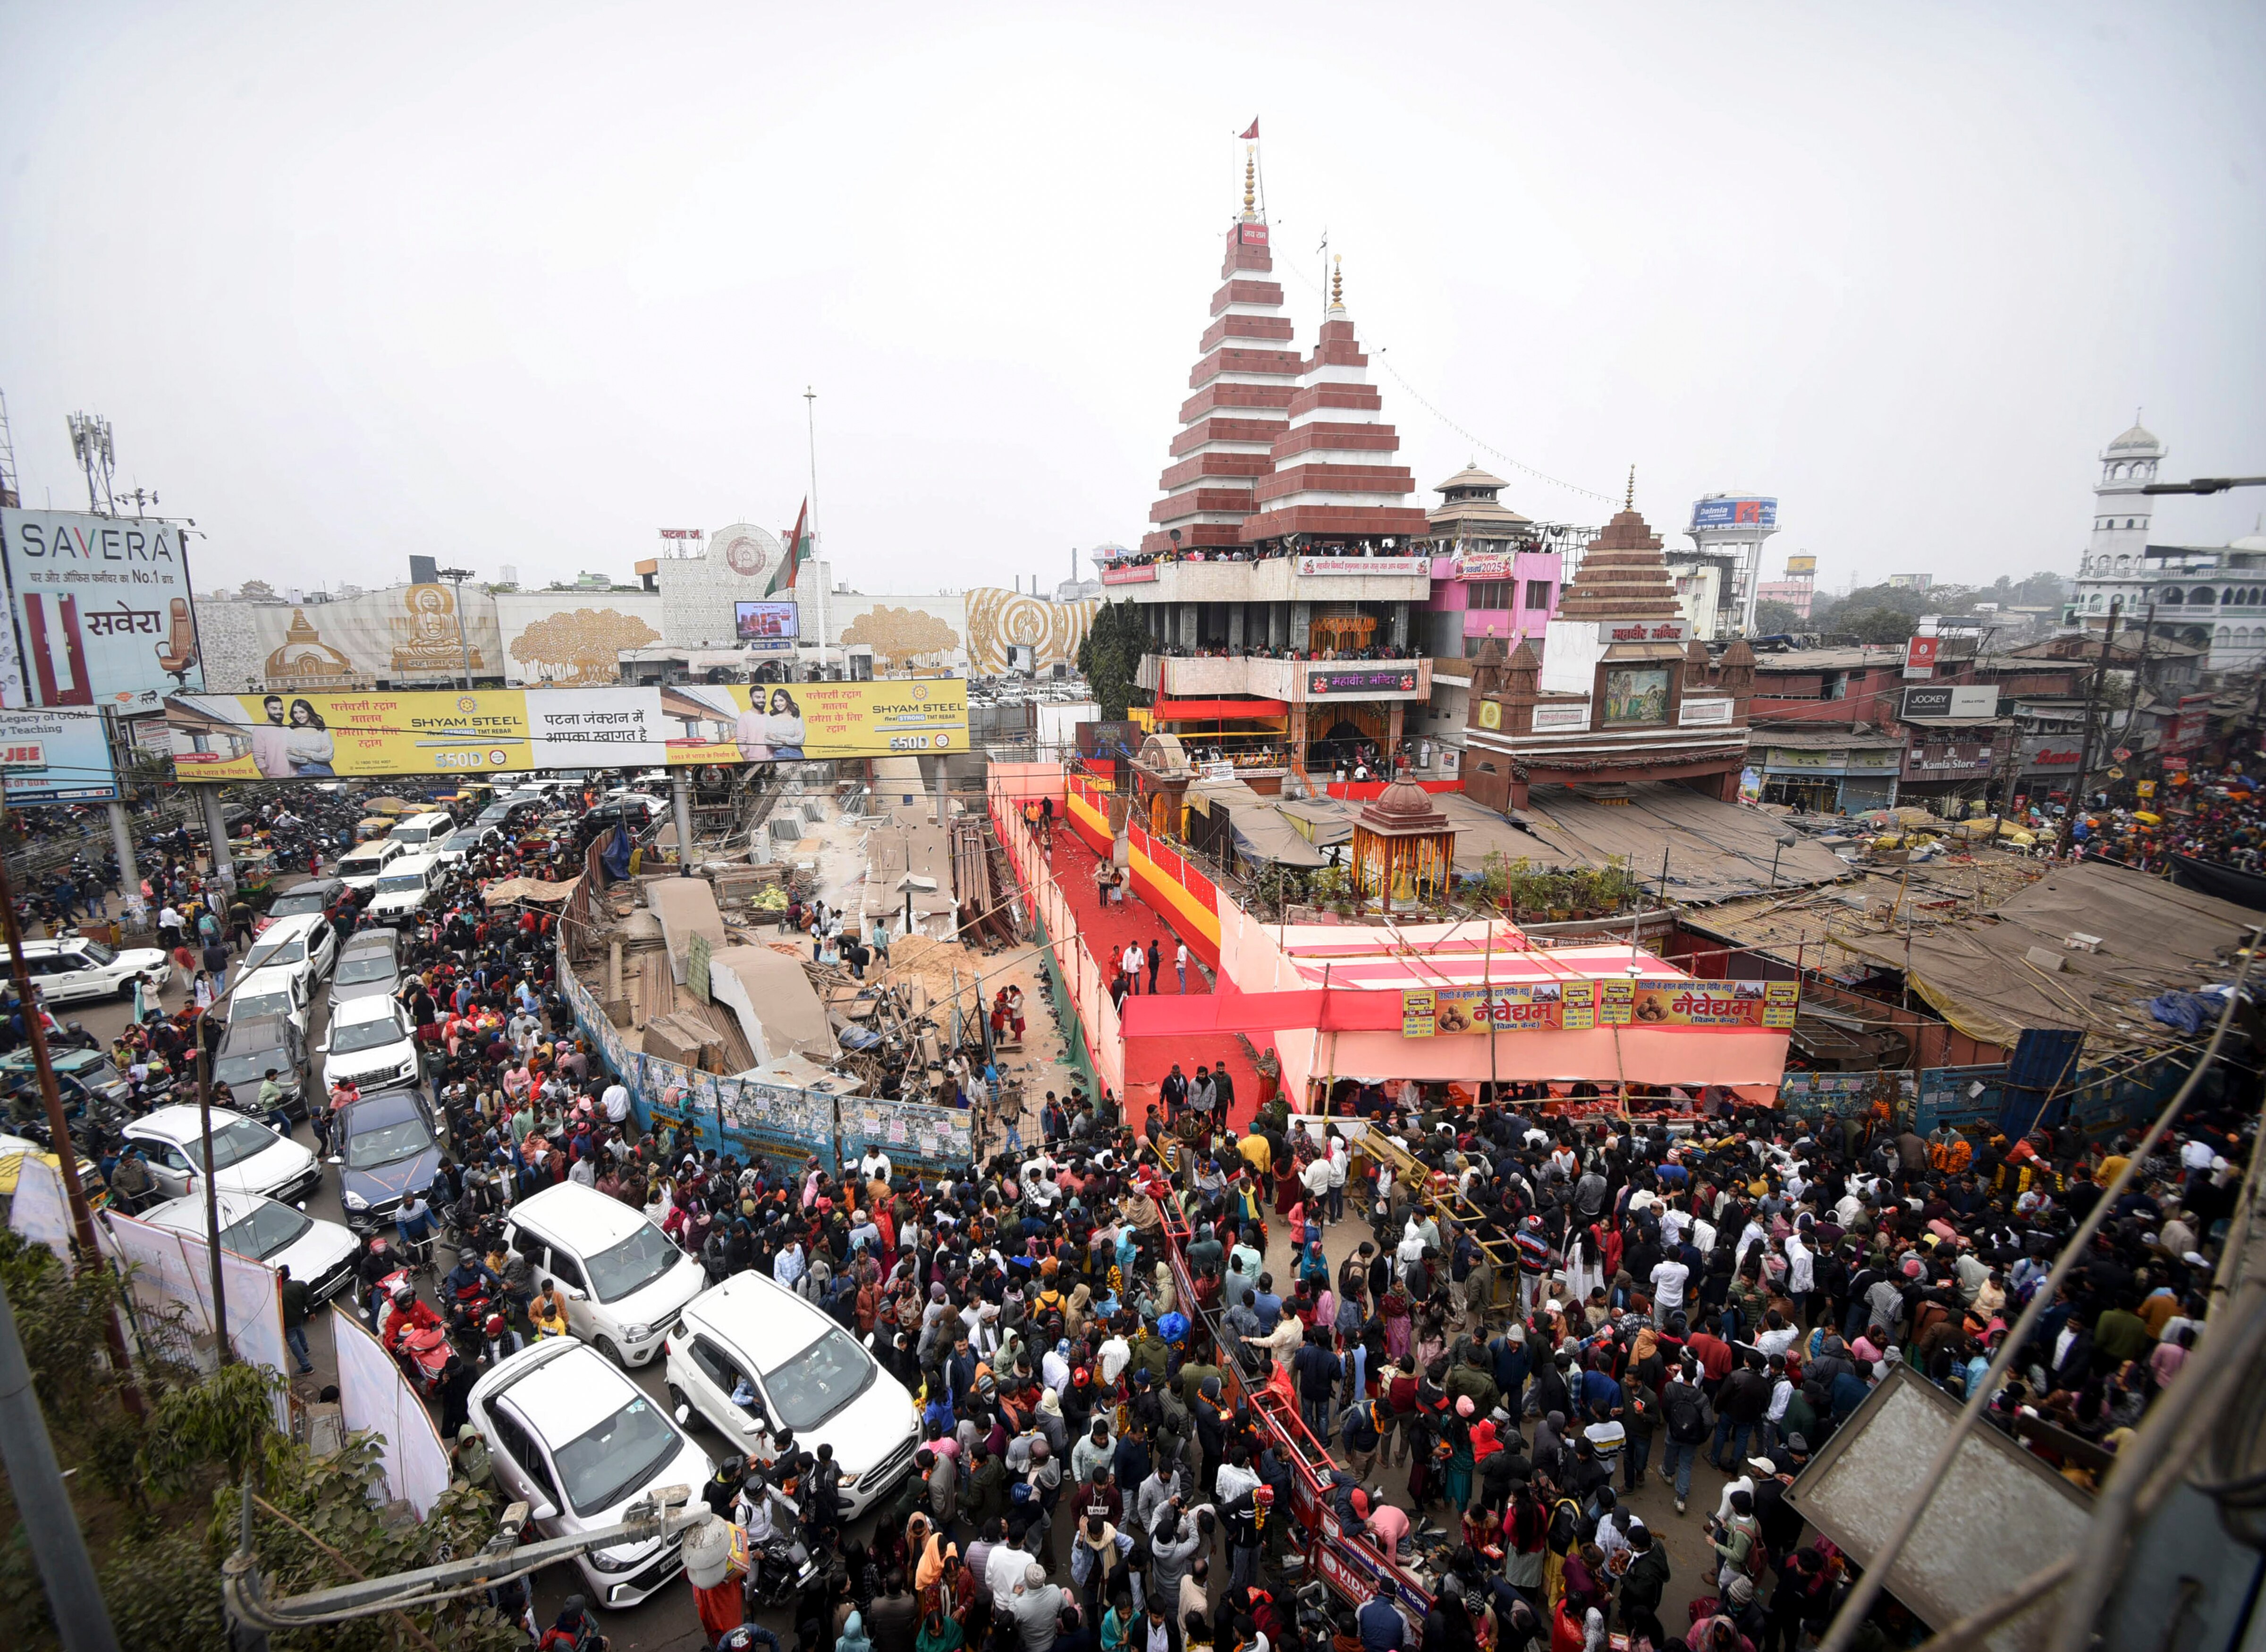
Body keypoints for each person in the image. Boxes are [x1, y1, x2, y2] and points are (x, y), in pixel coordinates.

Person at [279, 1263, 314, 1375]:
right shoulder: (300, 1285)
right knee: (299, 1330)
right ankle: (305, 1349)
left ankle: (306, 1366)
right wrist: (312, 1312)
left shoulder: (278, 1293)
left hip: (287, 1323)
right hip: (299, 1316)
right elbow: (309, 1299)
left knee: (293, 1342)